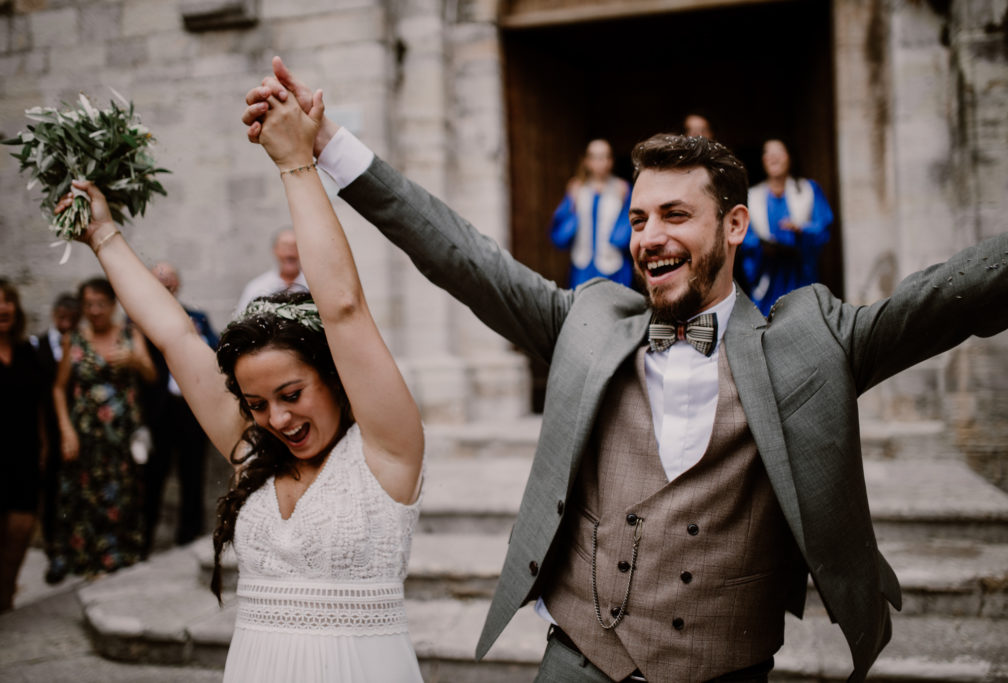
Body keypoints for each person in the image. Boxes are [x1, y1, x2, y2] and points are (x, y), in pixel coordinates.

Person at [242, 59, 1008, 683]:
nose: (649, 236)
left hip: (728, 667)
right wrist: (330, 143)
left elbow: (948, 297)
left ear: (735, 225)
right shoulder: (585, 322)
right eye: (639, 218)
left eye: (676, 215)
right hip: (578, 659)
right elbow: (458, 252)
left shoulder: (812, 341)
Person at [53, 75, 425, 683]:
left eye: (291, 394)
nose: (276, 418)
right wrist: (102, 235)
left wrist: (295, 164)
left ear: (335, 377)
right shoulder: (254, 451)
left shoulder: (389, 450)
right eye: (255, 403)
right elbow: (175, 337)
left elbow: (344, 307)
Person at [46, 277, 157, 582]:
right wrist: (67, 431)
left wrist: (135, 359)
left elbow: (151, 375)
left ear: (113, 305)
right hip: (86, 436)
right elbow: (58, 389)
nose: (94, 311)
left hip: (122, 436)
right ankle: (88, 566)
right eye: (88, 305)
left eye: (100, 304)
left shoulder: (129, 333)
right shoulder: (75, 339)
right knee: (85, 498)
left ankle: (118, 566)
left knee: (122, 497)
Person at [140, 262, 217, 553]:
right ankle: (144, 540)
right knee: (152, 477)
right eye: (159, 282)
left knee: (193, 473)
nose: (166, 286)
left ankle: (190, 536)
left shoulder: (197, 316)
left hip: (191, 408)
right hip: (158, 409)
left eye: (170, 281)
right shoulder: (138, 318)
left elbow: (214, 347)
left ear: (178, 285)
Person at [0, 279, 45, 617]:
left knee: (19, 536)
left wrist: (44, 446)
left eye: (8, 301)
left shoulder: (26, 352)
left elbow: (39, 405)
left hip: (23, 456)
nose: (2, 307)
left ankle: (5, 604)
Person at [738, 138, 833, 315]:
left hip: (800, 275)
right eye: (768, 153)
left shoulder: (808, 190)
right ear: (762, 160)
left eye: (779, 152)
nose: (773, 157)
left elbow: (823, 227)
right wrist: (760, 246)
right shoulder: (753, 196)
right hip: (767, 279)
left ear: (789, 157)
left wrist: (801, 230)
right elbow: (743, 235)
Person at [29, 292, 80, 559]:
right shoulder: (36, 345)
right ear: (54, 315)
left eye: (73, 319)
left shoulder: (81, 345)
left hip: (79, 427)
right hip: (46, 426)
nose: (67, 323)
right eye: (63, 317)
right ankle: (51, 544)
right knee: (49, 486)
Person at [550, 139, 632, 288]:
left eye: (606, 156)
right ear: (587, 161)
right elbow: (561, 232)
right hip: (583, 265)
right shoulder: (577, 188)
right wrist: (573, 204)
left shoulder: (622, 188)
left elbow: (628, 227)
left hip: (613, 265)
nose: (602, 162)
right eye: (596, 157)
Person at [234, 227, 308, 313]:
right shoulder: (257, 288)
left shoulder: (314, 288)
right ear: (275, 250)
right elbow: (239, 320)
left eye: (295, 246)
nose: (290, 251)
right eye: (285, 246)